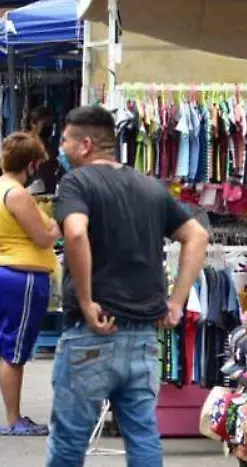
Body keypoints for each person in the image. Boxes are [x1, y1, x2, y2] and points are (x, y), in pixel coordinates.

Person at [46, 105, 208, 467]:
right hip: (143, 337)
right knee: (142, 436)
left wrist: (86, 300)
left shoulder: (77, 182)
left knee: (70, 441)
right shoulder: (149, 186)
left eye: (66, 142)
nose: (62, 149)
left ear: (85, 144)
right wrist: (177, 301)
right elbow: (196, 235)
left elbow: (74, 231)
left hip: (92, 331)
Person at [0, 132, 61, 437]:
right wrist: (58, 224)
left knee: (8, 347)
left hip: (4, 270)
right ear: (29, 164)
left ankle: (14, 416)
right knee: (15, 351)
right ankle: (13, 419)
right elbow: (43, 236)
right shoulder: (17, 195)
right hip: (23, 275)